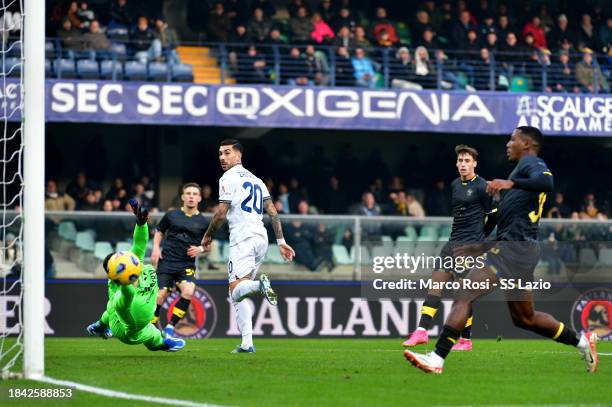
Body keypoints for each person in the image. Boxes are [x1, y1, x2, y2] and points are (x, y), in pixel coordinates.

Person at [404, 126, 599, 374]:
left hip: (514, 250)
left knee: (465, 294)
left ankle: (437, 357)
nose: (508, 143)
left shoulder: (532, 163)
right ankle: (583, 341)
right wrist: (479, 246)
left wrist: (510, 182)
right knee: (524, 318)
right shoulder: (522, 172)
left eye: (512, 139)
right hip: (520, 248)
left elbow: (548, 182)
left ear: (526, 144)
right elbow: (512, 226)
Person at [201, 139, 295, 353]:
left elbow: (221, 214)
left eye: (227, 153)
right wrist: (281, 241)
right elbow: (272, 211)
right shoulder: (257, 180)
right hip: (260, 238)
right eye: (220, 154)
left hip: (242, 238)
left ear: (238, 155)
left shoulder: (227, 178)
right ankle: (247, 343)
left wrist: (207, 236)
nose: (222, 158)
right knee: (238, 290)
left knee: (236, 291)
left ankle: (260, 286)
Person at [403, 145, 496, 350]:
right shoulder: (455, 184)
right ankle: (422, 331)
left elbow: (494, 216)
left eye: (467, 161)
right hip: (452, 243)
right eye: (460, 161)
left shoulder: (482, 186)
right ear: (456, 163)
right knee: (435, 285)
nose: (463, 164)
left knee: (463, 293)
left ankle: (465, 339)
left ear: (475, 163)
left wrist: (480, 240)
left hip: (469, 246)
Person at [86, 199, 185, 352]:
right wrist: (126, 283)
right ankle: (162, 344)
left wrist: (141, 223)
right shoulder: (121, 291)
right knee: (153, 337)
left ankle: (99, 325)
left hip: (139, 319)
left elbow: (139, 243)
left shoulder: (134, 264)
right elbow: (126, 299)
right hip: (127, 330)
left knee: (112, 310)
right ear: (113, 275)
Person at [151, 183, 208, 338]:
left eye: (194, 194)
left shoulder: (203, 222)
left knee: (188, 292)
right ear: (182, 197)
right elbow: (159, 231)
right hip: (167, 262)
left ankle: (170, 327)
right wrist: (156, 248)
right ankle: (152, 326)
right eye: (188, 193)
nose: (191, 196)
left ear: (199, 198)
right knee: (160, 295)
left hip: (186, 264)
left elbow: (208, 244)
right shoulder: (171, 215)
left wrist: (201, 249)